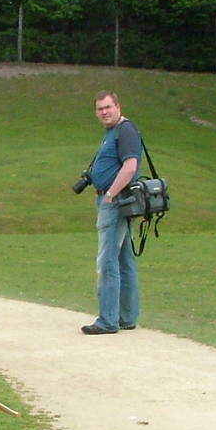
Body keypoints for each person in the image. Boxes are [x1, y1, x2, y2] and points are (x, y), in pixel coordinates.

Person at [81, 91, 141, 335]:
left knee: (107, 261)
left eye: (108, 107)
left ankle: (108, 320)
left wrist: (110, 195)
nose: (104, 112)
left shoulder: (125, 130)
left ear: (118, 106)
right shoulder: (113, 132)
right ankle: (126, 316)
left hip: (115, 202)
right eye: (99, 109)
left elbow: (130, 167)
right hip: (117, 200)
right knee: (124, 259)